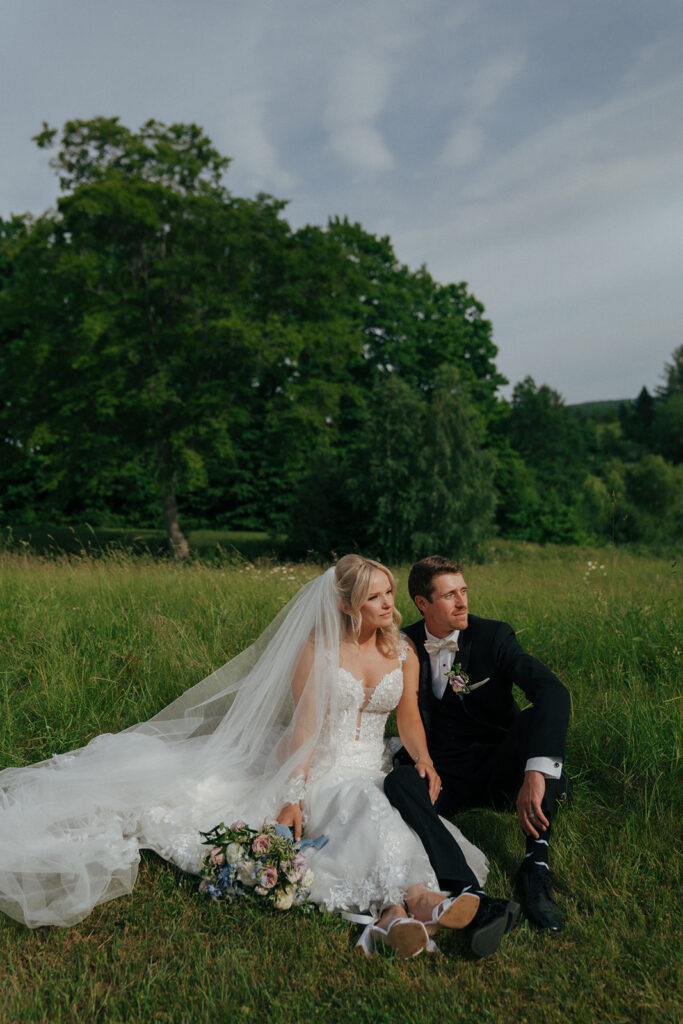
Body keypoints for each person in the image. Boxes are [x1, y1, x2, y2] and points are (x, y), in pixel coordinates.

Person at [0, 554, 516, 959]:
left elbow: (408, 720)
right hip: (321, 764)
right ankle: (413, 902)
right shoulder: (318, 650)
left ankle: (400, 914)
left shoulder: (400, 651)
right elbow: (306, 729)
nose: (388, 604)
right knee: (364, 809)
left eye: (388, 594)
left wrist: (422, 760)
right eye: (375, 597)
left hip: (374, 763)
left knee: (389, 808)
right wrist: (292, 794)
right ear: (347, 605)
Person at [384, 555, 571, 933]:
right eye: (450, 595)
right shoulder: (405, 647)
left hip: (498, 765)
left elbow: (553, 691)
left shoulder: (494, 636)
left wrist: (534, 772)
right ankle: (465, 887)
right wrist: (424, 763)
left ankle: (536, 868)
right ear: (422, 603)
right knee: (398, 783)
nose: (463, 602)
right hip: (443, 773)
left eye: (464, 591)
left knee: (539, 735)